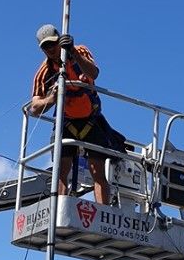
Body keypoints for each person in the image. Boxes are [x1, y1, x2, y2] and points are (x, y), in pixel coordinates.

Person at [30, 24, 123, 204]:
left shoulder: (80, 51)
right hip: (67, 122)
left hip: (91, 119)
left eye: (52, 44)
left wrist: (72, 51)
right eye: (45, 47)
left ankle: (101, 212)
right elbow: (34, 108)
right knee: (61, 170)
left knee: (97, 170)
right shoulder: (44, 71)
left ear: (59, 40)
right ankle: (60, 209)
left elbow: (94, 73)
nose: (50, 49)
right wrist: (51, 99)